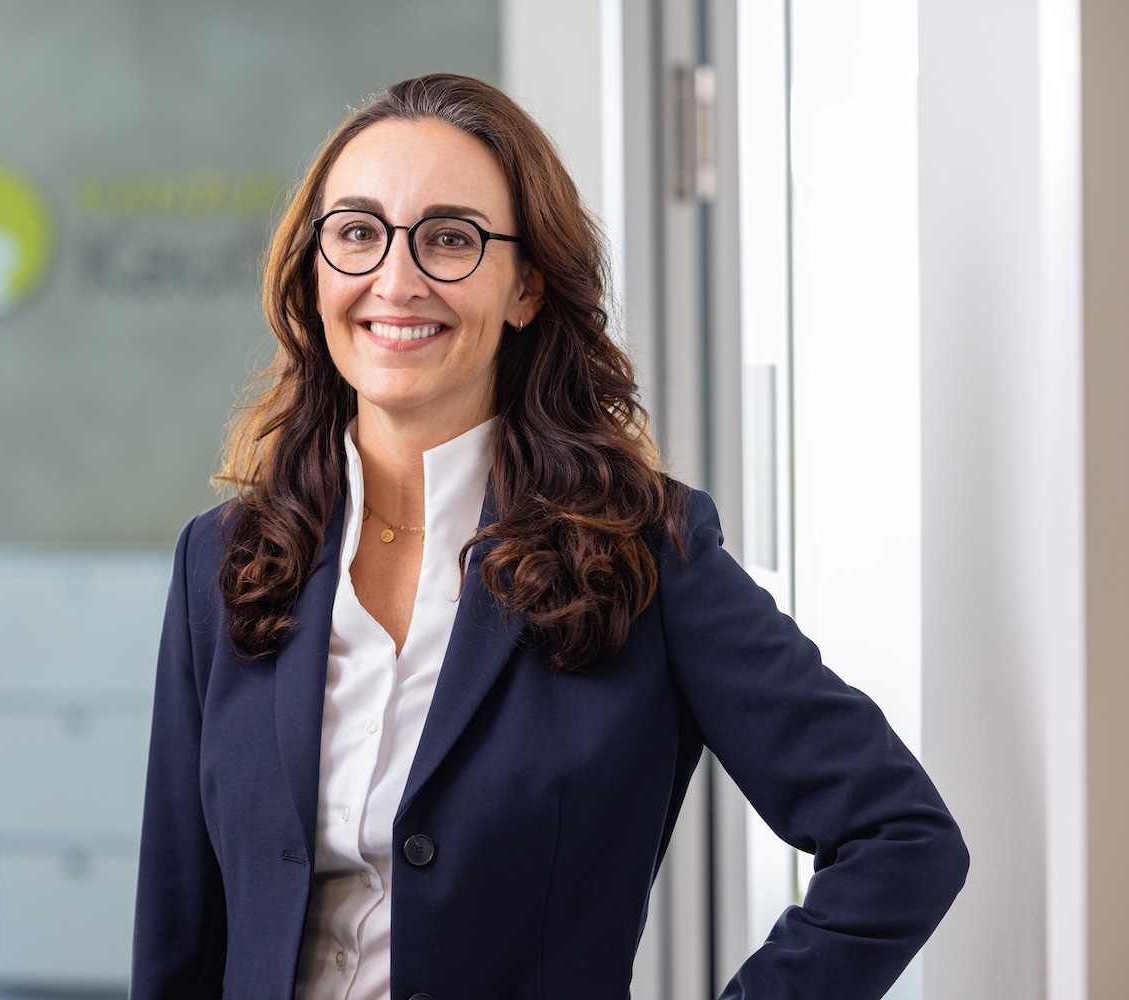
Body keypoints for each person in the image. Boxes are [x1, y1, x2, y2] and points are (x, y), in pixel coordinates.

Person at [131, 73, 967, 1000]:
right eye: (359, 233)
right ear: (315, 271)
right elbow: (179, 926)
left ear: (526, 286)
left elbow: (900, 837)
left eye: (451, 238)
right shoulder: (227, 559)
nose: (396, 280)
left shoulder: (646, 554)